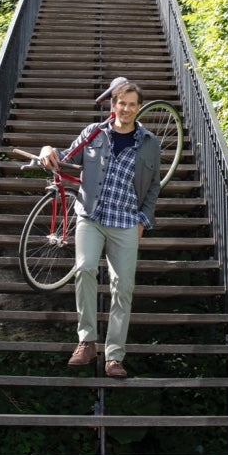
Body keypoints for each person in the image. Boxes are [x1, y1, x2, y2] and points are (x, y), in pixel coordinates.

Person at [38, 77, 161, 378]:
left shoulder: (150, 143)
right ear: (113, 104)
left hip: (125, 222)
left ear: (139, 108)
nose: (126, 109)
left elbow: (153, 187)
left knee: (123, 288)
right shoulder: (93, 133)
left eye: (132, 105)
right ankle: (86, 341)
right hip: (90, 216)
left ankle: (114, 356)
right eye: (122, 103)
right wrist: (46, 150)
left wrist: (143, 221)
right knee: (85, 268)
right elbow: (62, 159)